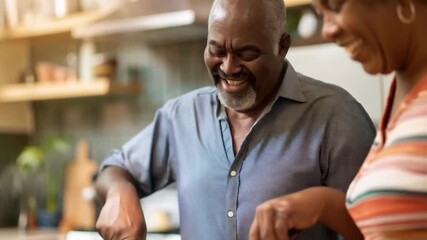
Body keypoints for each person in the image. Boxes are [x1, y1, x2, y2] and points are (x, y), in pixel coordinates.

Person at [94, 0, 376, 239]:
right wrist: (119, 191)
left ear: (282, 46)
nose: (228, 67)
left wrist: (319, 205)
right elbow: (115, 168)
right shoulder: (182, 116)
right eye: (216, 51)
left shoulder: (337, 117)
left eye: (247, 53)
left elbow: (380, 227)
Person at [249, 0, 427, 239]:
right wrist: (323, 204)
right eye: (318, 12)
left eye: (335, 6)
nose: (327, 30)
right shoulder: (401, 95)